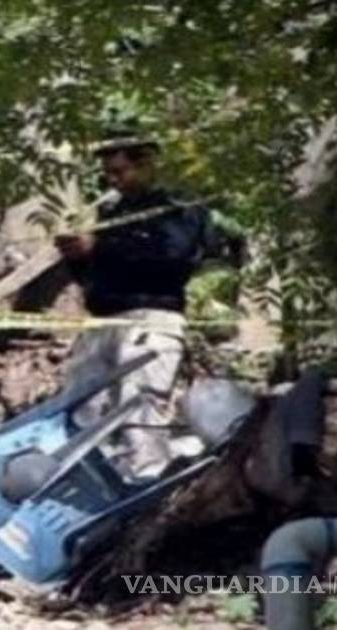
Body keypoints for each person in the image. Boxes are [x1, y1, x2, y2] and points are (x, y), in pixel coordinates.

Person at [55, 134, 214, 482]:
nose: (112, 181)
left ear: (147, 164)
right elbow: (93, 273)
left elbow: (173, 259)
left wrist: (99, 248)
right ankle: (86, 486)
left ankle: (148, 483)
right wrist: (77, 256)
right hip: (102, 321)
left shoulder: (179, 208)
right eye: (107, 174)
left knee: (140, 409)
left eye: (120, 171)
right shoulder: (111, 212)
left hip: (151, 318)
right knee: (82, 410)